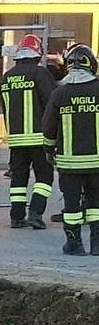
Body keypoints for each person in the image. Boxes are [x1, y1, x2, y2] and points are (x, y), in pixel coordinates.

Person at [41, 43, 99, 256]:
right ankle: (97, 243)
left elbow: (48, 127)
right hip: (97, 163)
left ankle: (74, 244)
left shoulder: (60, 94)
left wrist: (48, 149)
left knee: (72, 205)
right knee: (96, 203)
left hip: (69, 163)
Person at [0, 35, 57, 230]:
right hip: (39, 137)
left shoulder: (7, 76)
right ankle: (35, 213)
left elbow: (4, 107)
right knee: (44, 177)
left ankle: (16, 217)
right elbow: (52, 104)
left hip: (16, 139)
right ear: (37, 54)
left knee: (18, 178)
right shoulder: (40, 74)